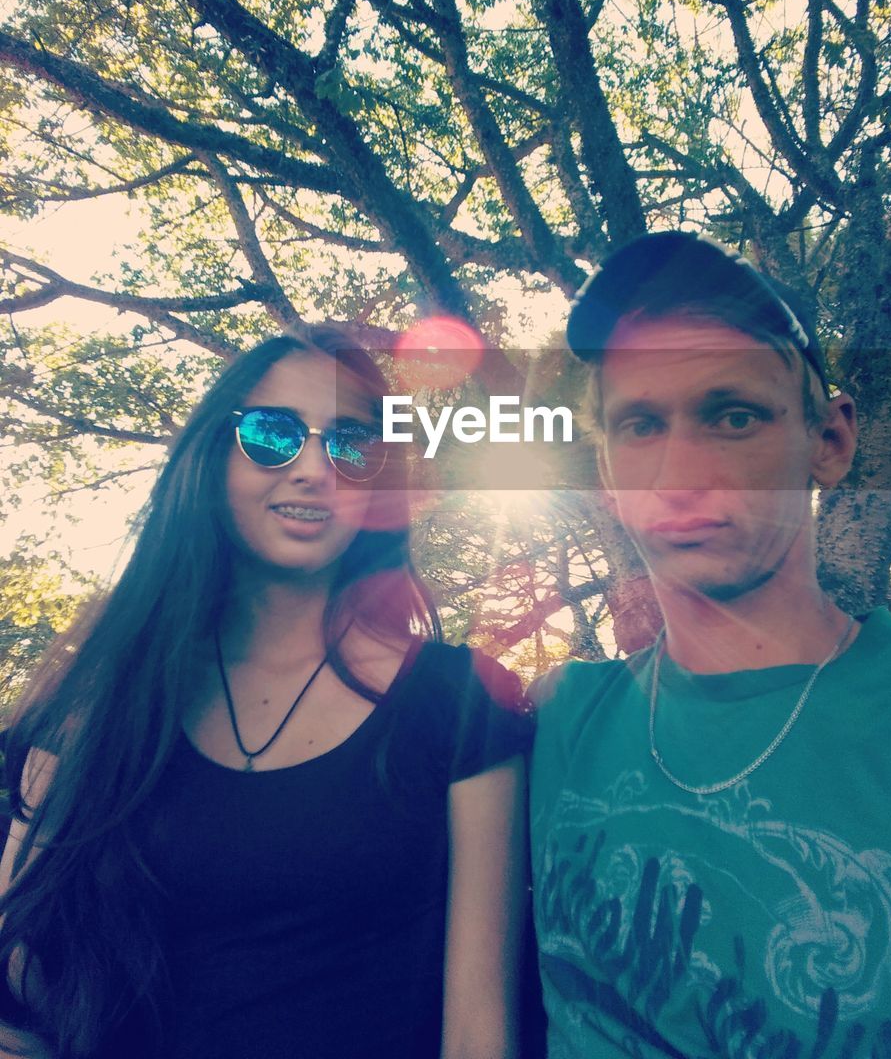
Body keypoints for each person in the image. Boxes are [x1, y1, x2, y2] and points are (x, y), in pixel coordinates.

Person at [0, 324, 531, 1059]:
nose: (315, 468)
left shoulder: (464, 701)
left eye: (350, 444)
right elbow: (18, 981)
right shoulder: (100, 696)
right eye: (274, 434)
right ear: (213, 457)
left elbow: (479, 1034)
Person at [530, 231, 891, 1057]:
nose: (681, 470)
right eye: (642, 425)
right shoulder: (557, 721)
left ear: (830, 443)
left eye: (732, 416)